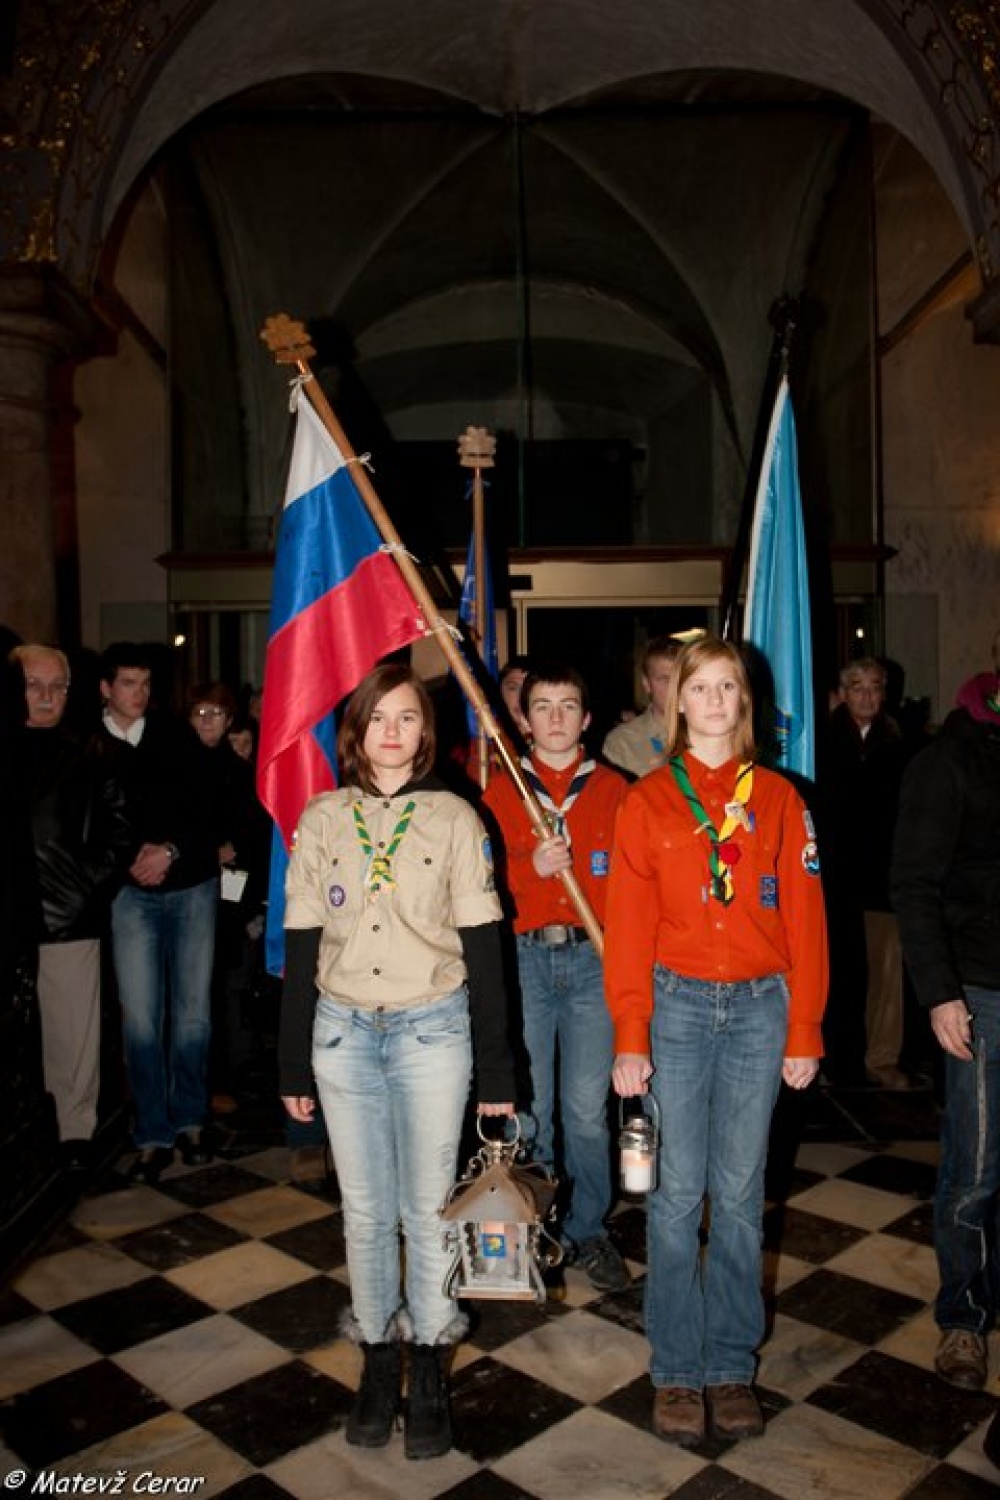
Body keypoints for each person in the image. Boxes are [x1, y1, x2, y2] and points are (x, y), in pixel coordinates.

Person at [279, 661, 515, 1461]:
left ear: (424, 734)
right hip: (343, 1037)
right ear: (356, 731)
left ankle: (430, 1360)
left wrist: (499, 1075)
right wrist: (289, 1067)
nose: (391, 730)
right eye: (378, 716)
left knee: (426, 1209)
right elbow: (302, 942)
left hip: (431, 1035)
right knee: (366, 1214)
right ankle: (379, 1359)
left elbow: (484, 953)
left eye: (406, 718)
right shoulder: (321, 818)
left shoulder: (455, 817)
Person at [605, 635, 827, 1447]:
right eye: (699, 687)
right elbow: (627, 932)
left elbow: (806, 922)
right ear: (677, 702)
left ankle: (730, 1362)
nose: (713, 701)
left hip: (762, 1010)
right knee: (674, 1197)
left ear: (744, 703)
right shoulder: (648, 802)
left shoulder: (780, 800)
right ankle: (675, 1368)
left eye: (727, 687)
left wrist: (804, 1027)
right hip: (678, 1010)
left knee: (738, 1198)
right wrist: (631, 1034)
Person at [483, 661, 631, 1292]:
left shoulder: (618, 790)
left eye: (568, 707)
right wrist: (530, 867)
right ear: (524, 717)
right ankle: (539, 1223)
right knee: (535, 1105)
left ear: (587, 718)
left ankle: (590, 1227)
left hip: (594, 958)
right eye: (542, 707)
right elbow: (481, 886)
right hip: (527, 960)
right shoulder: (501, 791)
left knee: (587, 1109)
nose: (555, 720)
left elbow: (634, 885)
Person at [890, 666, 1000, 1395]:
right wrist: (939, 993)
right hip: (982, 989)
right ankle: (964, 1315)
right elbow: (914, 882)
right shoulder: (948, 759)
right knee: (978, 1166)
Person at [99, 643, 220, 1183]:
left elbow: (204, 810)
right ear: (106, 689)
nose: (140, 693)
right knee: (143, 1018)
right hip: (129, 894)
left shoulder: (174, 736)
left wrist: (168, 850)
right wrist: (133, 861)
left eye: (146, 683)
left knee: (192, 1012)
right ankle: (151, 1130)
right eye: (128, 683)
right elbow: (90, 825)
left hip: (190, 885)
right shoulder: (91, 744)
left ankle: (191, 1119)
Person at [12, 644, 132, 1171]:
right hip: (11, 916)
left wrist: (85, 886)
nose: (46, 696)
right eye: (33, 685)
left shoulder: (91, 751)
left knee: (72, 1037)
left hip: (66, 914)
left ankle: (74, 1138)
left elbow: (122, 833)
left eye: (57, 686)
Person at [818, 657, 911, 1088]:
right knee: (835, 972)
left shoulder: (902, 743)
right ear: (843, 691)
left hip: (883, 876)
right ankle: (831, 1058)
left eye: (875, 687)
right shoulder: (819, 740)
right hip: (832, 877)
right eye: (858, 686)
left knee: (886, 972)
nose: (867, 695)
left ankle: (882, 1059)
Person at [602, 635, 683, 780]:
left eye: (681, 678)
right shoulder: (623, 743)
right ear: (646, 683)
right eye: (664, 679)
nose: (674, 688)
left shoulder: (715, 735)